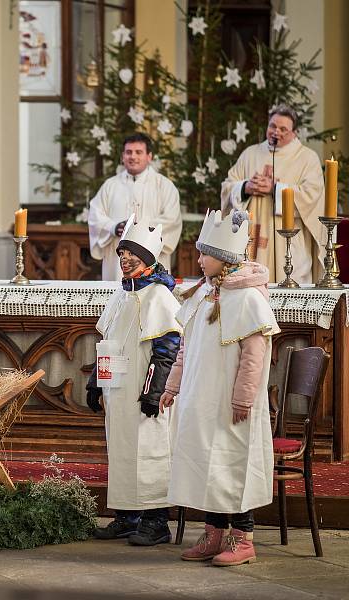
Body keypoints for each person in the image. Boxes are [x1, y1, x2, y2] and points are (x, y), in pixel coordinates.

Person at [160, 209, 279, 567]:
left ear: (224, 258)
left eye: (204, 254)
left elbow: (254, 356)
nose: (198, 260)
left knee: (231, 465)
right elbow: (185, 348)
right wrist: (173, 386)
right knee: (206, 466)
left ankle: (243, 540)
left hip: (231, 404)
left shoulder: (248, 299)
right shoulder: (204, 294)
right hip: (202, 400)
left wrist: (243, 398)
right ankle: (213, 534)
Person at [86, 216, 181, 546]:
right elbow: (106, 344)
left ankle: (157, 521)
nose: (125, 260)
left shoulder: (160, 298)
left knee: (150, 452)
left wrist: (154, 392)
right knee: (123, 453)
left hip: (144, 395)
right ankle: (127, 517)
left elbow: (168, 349)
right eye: (122, 254)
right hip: (118, 394)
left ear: (149, 261)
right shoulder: (121, 294)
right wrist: (95, 384)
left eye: (132, 256)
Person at [221, 104, 325, 283]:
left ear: (295, 133)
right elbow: (227, 186)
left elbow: (312, 195)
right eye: (272, 126)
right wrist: (245, 187)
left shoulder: (307, 158)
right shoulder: (250, 154)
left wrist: (275, 189)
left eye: (283, 129)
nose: (276, 132)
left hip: (290, 240)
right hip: (253, 236)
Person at [88, 133, 182, 281]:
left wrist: (139, 229)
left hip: (151, 255)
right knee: (118, 299)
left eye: (139, 152)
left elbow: (172, 219)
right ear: (123, 156)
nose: (133, 157)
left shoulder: (164, 186)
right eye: (128, 152)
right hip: (117, 259)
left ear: (149, 156)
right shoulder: (110, 185)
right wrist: (114, 227)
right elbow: (95, 216)